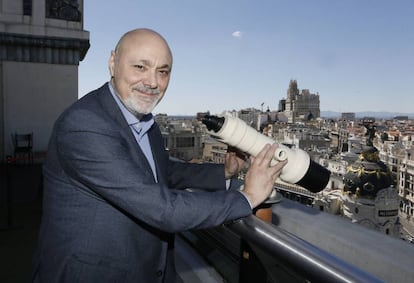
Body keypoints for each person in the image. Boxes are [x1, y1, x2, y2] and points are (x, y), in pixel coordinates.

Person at [31, 28, 286, 283]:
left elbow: (163, 170)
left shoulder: (144, 121)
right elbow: (164, 209)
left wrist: (224, 172)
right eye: (140, 67)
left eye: (162, 71)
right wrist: (247, 197)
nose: (153, 82)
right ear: (113, 62)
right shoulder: (85, 124)